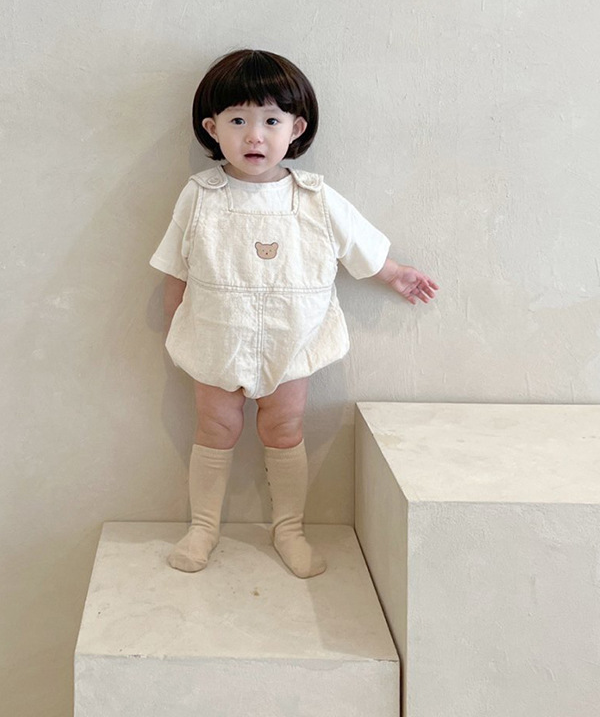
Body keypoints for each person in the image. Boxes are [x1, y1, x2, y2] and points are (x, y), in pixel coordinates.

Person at [150, 49, 438, 578]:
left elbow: (358, 244)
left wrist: (394, 272)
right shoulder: (199, 196)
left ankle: (289, 528)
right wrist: (176, 330)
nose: (254, 136)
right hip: (216, 338)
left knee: (284, 427)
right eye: (238, 120)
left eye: (270, 120)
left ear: (296, 128)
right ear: (213, 128)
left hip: (292, 340)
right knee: (214, 426)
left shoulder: (316, 197)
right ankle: (203, 527)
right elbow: (175, 268)